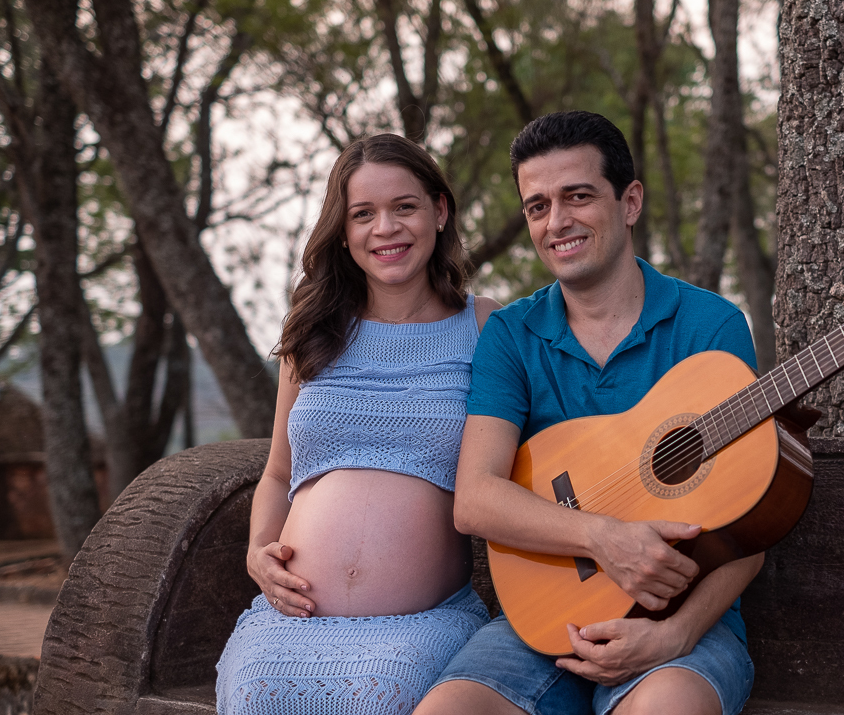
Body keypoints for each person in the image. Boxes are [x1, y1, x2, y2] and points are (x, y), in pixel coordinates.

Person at [416, 111, 763, 715]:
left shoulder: (711, 328)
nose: (557, 222)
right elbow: (475, 499)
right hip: (542, 617)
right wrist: (603, 539)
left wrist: (675, 635)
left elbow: (754, 523)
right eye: (538, 206)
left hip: (683, 622)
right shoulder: (512, 335)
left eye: (577, 196)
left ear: (630, 202)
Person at [216, 134, 498, 715]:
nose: (385, 228)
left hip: (421, 621)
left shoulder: (486, 326)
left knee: (383, 694)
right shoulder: (311, 331)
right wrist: (257, 551)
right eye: (363, 214)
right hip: (291, 620)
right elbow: (277, 474)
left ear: (439, 211)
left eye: (404, 207)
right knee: (253, 695)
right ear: (343, 232)